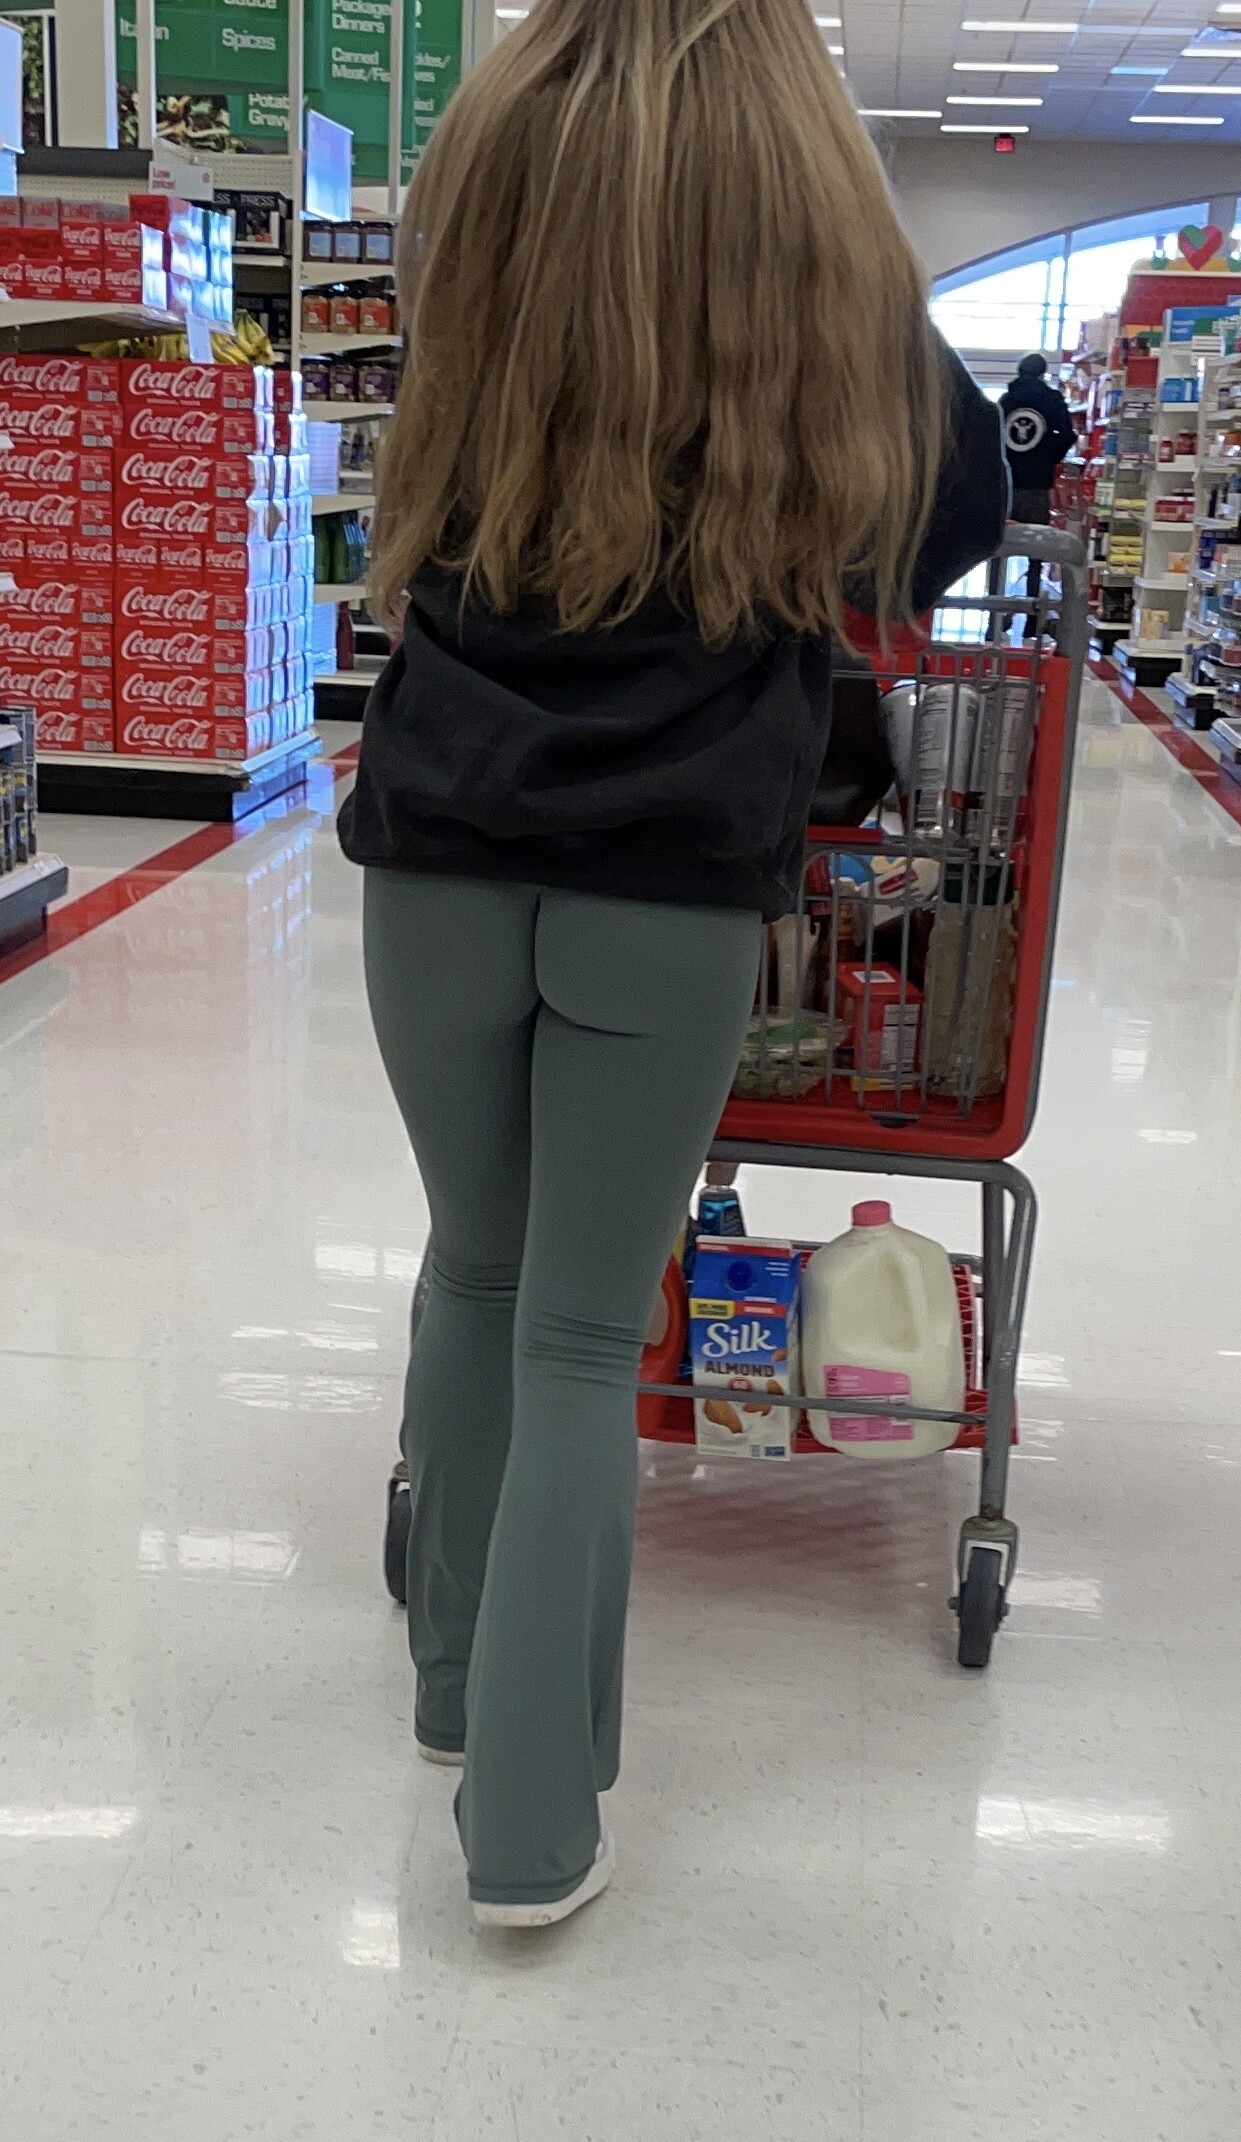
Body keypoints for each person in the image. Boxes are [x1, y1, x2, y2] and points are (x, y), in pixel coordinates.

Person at [338, 0, 1007, 1931]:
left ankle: (452, 1699)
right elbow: (957, 503)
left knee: (470, 1271)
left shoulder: (491, 159)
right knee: (577, 1334)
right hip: (672, 873)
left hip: (436, 842)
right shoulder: (816, 236)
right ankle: (529, 1832)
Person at [1000, 352, 1075, 631]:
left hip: (1007, 485)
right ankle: (1033, 617)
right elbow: (1067, 435)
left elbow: (993, 437)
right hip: (1036, 487)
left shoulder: (1006, 401)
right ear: (1043, 373)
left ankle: (995, 612)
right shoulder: (1052, 400)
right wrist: (1047, 458)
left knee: (998, 550)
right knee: (1036, 553)